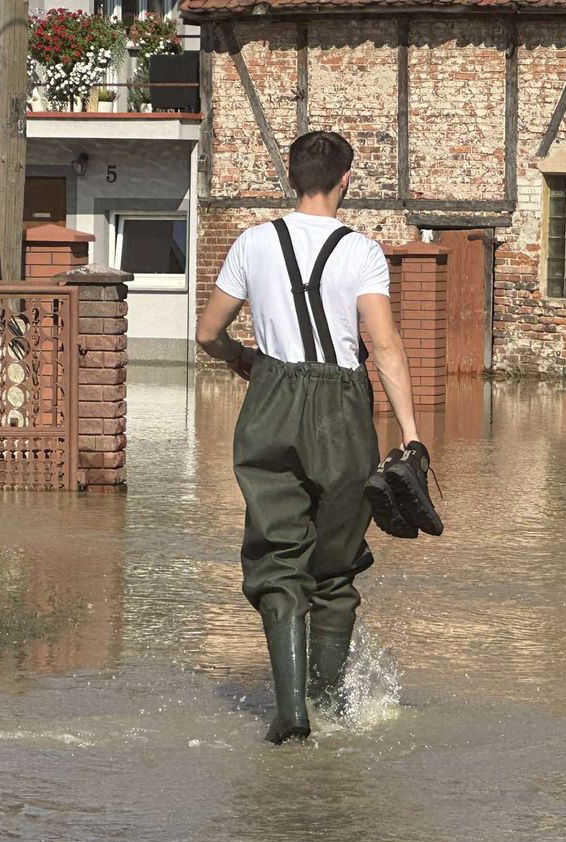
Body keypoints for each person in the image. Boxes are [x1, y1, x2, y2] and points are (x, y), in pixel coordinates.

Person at [196, 131, 421, 744]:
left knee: (277, 556)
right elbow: (384, 347)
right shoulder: (363, 253)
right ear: (346, 179)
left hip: (269, 400)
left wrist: (244, 359)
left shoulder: (252, 242)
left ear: (290, 177)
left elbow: (208, 333)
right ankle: (326, 708)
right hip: (341, 409)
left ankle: (290, 713)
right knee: (335, 565)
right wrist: (411, 434)